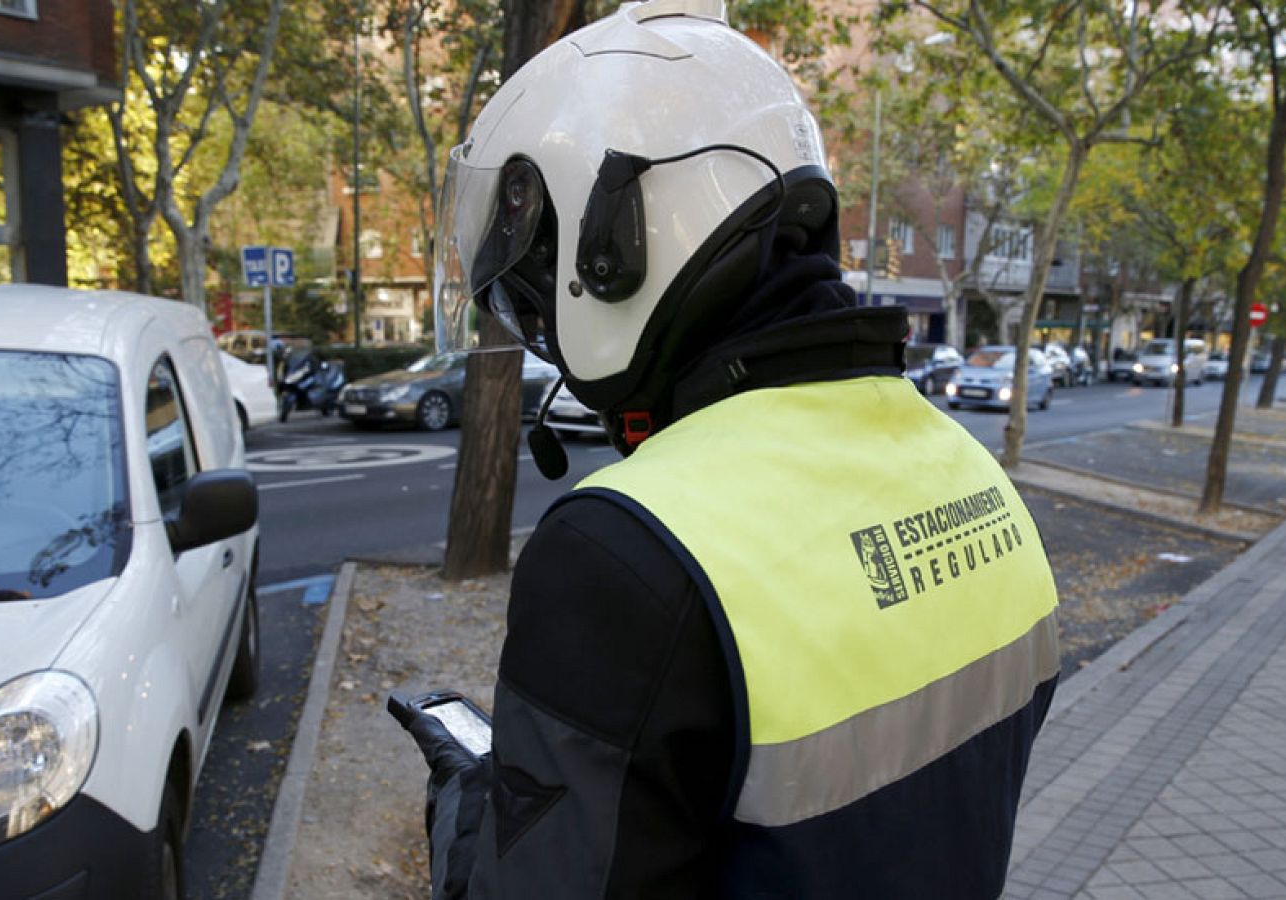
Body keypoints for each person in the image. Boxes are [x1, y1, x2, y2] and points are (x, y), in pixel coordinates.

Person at [393, 2, 1061, 897]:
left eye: (531, 293)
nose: (539, 329)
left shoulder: (622, 561)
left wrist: (471, 804)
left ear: (614, 251)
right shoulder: (980, 483)